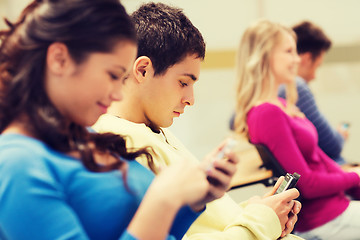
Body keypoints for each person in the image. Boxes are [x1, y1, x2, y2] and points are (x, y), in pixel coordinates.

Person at [0, 0, 232, 239]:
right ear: (59, 60)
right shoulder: (16, 163)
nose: (118, 93)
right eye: (112, 75)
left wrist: (191, 203)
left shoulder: (85, 137)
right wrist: (163, 201)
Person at [93, 3, 302, 240]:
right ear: (142, 70)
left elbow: (205, 225)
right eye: (183, 83)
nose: (190, 100)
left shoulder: (152, 129)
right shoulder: (119, 142)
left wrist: (260, 212)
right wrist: (261, 221)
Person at [233, 19, 360, 240]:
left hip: (335, 207)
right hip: (323, 219)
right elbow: (307, 184)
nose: (296, 59)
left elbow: (320, 159)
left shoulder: (280, 106)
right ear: (265, 55)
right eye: (289, 51)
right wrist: (354, 178)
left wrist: (353, 179)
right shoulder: (266, 113)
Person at [278, 21, 348, 165]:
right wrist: (341, 134)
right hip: (327, 173)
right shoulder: (296, 87)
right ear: (307, 59)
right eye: (317, 66)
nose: (314, 76)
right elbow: (333, 146)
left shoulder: (273, 90)